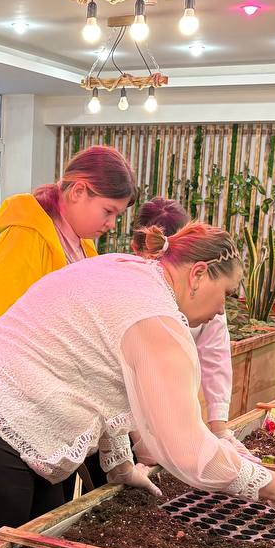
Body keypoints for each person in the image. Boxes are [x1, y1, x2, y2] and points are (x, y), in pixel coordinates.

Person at [0, 222, 275, 548]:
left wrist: (120, 467)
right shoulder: (155, 317)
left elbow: (100, 379)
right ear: (199, 274)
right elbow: (188, 451)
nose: (222, 309)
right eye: (227, 293)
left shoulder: (129, 272)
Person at [82, 197, 238, 490]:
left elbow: (215, 357)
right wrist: (141, 442)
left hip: (156, 418)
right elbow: (113, 378)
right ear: (138, 246)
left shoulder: (205, 294)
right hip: (106, 421)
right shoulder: (132, 290)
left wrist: (218, 427)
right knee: (106, 486)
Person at [0, 145, 136, 361]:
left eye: (117, 216)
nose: (111, 224)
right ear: (78, 191)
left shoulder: (84, 245)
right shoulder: (25, 237)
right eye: (108, 211)